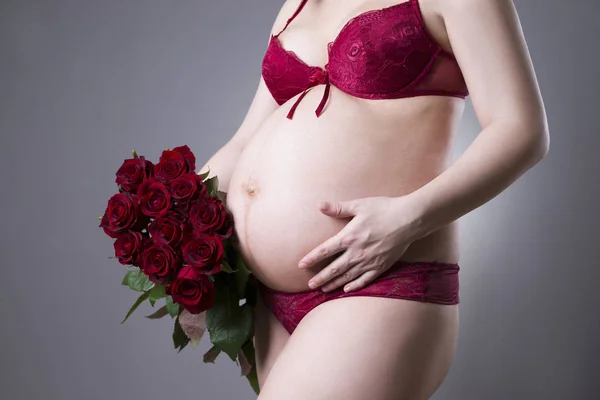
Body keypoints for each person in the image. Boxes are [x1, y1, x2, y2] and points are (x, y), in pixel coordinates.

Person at [198, 0, 549, 398]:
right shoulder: (298, 5)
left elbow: (522, 131)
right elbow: (245, 139)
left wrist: (407, 217)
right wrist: (182, 219)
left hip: (382, 279)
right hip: (272, 297)